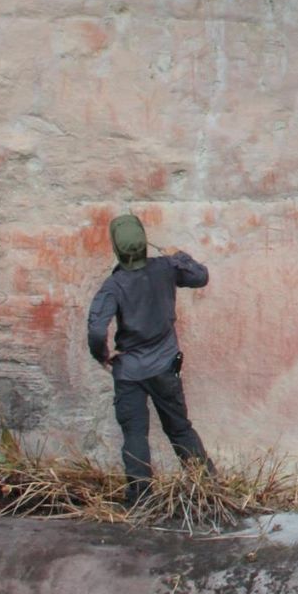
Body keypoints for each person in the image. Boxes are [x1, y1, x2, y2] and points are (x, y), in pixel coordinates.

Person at [86, 212, 214, 508]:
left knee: (134, 435)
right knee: (180, 428)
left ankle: (140, 500)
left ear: (116, 248)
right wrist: (181, 257)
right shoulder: (166, 268)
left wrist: (103, 356)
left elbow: (96, 330)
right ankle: (207, 488)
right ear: (145, 242)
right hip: (166, 367)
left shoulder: (113, 285)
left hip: (129, 372)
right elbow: (201, 276)